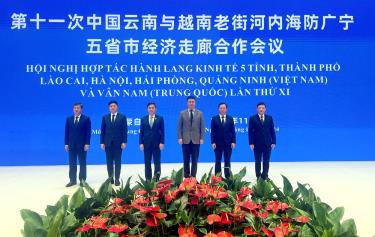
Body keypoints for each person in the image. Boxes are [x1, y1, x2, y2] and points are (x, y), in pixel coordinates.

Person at [100, 100, 128, 186]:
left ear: (117, 107)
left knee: (117, 162)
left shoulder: (122, 117)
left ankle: (117, 179)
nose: (112, 107)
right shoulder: (105, 117)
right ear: (109, 108)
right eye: (111, 106)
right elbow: (102, 131)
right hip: (107, 143)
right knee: (109, 162)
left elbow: (124, 130)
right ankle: (110, 178)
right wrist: (101, 142)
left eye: (114, 106)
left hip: (118, 143)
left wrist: (124, 141)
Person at [177, 96, 205, 178]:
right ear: (187, 103)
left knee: (194, 160)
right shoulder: (182, 113)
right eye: (190, 102)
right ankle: (186, 177)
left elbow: (202, 127)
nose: (191, 103)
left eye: (193, 102)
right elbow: (179, 127)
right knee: (186, 160)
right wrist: (180, 137)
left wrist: (202, 138)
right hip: (185, 140)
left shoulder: (200, 113)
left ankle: (193, 177)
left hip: (196, 140)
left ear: (195, 103)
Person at [64, 102, 91, 187]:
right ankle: (72, 180)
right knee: (72, 163)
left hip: (82, 145)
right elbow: (66, 132)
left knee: (82, 163)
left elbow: (88, 132)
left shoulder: (86, 119)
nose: (76, 109)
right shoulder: (69, 119)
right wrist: (66, 144)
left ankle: (82, 180)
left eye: (78, 108)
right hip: (71, 145)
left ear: (81, 109)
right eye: (75, 108)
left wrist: (87, 143)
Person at [248, 102, 276, 180]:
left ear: (265, 109)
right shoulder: (253, 118)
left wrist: (273, 141)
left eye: (263, 108)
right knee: (257, 161)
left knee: (266, 161)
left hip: (268, 143)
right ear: (257, 109)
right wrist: (251, 143)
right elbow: (250, 131)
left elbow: (272, 131)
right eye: (259, 108)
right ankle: (258, 176)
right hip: (257, 144)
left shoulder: (269, 118)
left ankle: (265, 175)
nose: (261, 109)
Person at [139, 102, 165, 181]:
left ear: (155, 109)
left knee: (157, 162)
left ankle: (156, 179)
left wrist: (162, 142)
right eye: (149, 108)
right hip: (146, 144)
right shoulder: (143, 119)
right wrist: (141, 143)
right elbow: (141, 132)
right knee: (147, 162)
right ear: (147, 109)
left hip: (157, 144)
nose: (151, 109)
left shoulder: (160, 118)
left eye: (152, 108)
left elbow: (163, 131)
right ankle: (148, 179)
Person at [210, 102, 236, 179]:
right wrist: (213, 142)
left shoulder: (230, 118)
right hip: (217, 144)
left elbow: (233, 131)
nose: (222, 109)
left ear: (226, 109)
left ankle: (228, 177)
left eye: (224, 108)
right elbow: (213, 132)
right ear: (218, 109)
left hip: (228, 144)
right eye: (221, 108)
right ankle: (217, 178)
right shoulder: (214, 119)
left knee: (227, 161)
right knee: (218, 161)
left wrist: (233, 142)